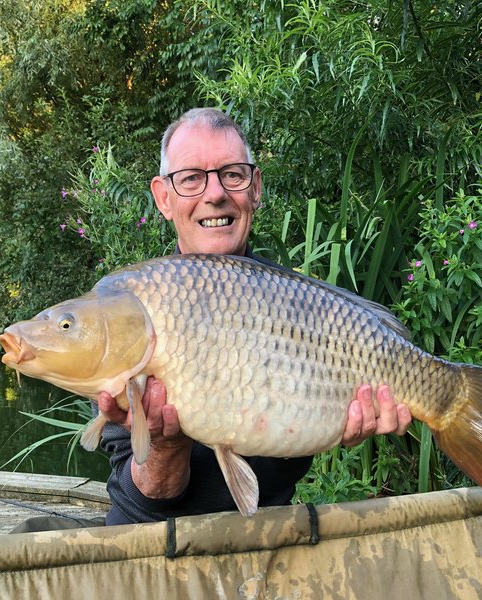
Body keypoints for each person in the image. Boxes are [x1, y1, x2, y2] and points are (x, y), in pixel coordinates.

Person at [94, 108, 412, 525]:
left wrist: (346, 418)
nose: (215, 194)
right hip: (152, 541)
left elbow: (309, 430)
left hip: (266, 535)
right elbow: (150, 495)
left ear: (255, 188)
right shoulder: (135, 305)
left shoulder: (299, 304)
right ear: (163, 198)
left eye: (233, 174)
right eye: (191, 178)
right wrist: (165, 444)